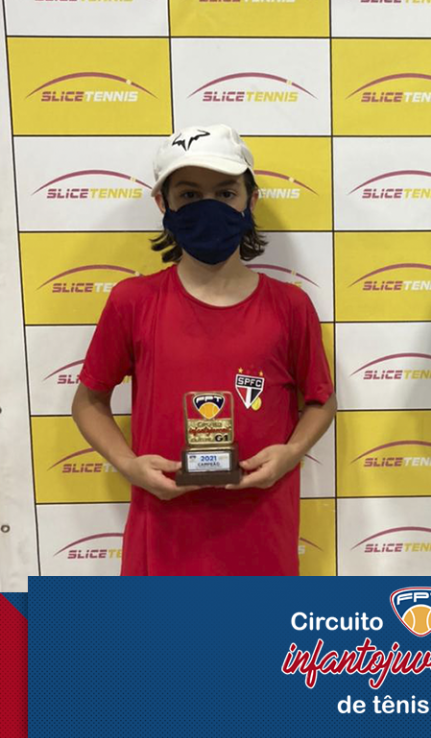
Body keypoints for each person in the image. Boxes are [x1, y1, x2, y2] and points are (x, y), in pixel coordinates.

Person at [72, 124, 336, 576]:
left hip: (262, 537)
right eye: (190, 195)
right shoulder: (132, 302)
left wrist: (291, 453)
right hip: (162, 539)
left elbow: (321, 400)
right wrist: (129, 465)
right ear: (164, 204)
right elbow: (88, 402)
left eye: (226, 193)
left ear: (251, 200)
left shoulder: (290, 306)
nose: (208, 207)